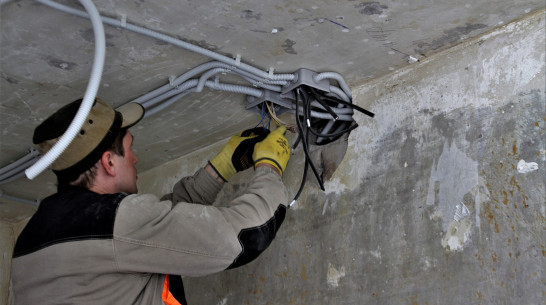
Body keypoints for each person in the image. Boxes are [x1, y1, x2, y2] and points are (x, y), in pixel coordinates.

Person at [11, 98, 291, 305]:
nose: (135, 158)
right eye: (130, 149)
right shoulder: (116, 223)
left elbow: (158, 231)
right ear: (109, 162)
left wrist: (219, 169)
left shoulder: (29, 240)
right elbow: (241, 236)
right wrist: (269, 166)